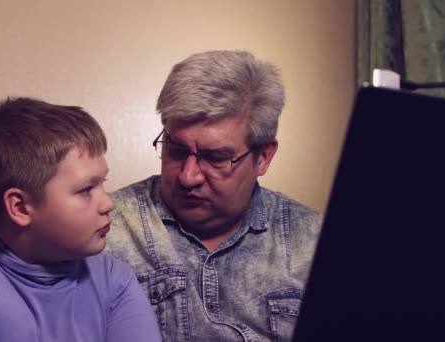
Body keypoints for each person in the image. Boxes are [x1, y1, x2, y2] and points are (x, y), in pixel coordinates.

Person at [0, 97, 162, 342]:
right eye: (85, 190)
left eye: (102, 183)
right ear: (21, 207)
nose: (108, 203)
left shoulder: (116, 280)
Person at [105, 50, 322, 341]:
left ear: (263, 157)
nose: (188, 176)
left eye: (215, 158)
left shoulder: (313, 243)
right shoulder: (103, 230)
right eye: (176, 149)